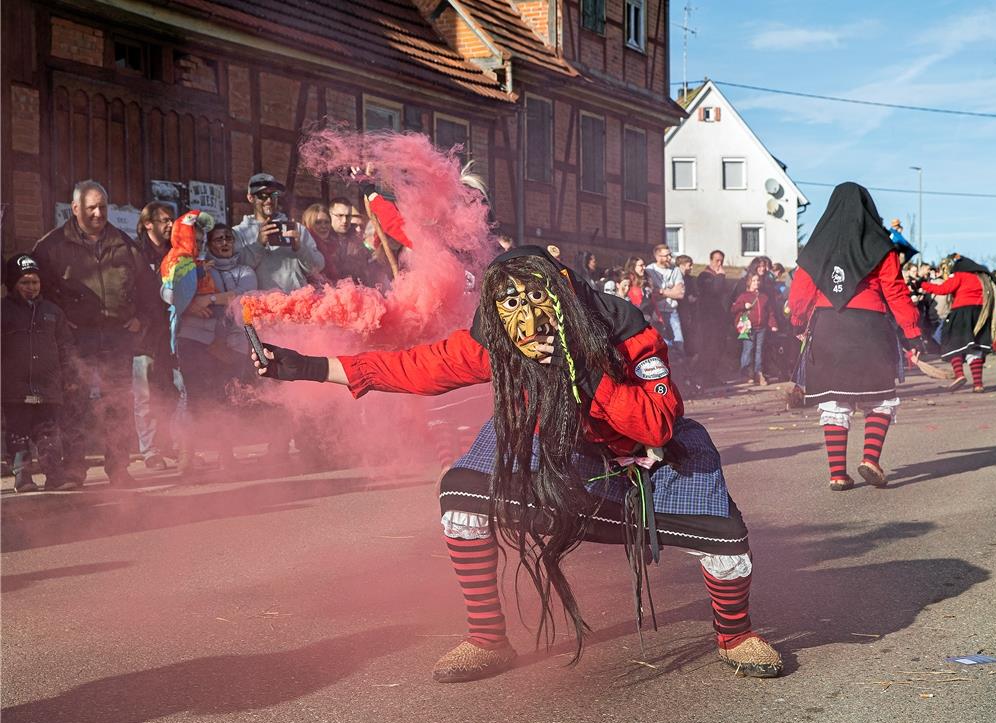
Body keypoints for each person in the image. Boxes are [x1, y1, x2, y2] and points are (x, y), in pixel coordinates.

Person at [252, 245, 785, 682]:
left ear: (564, 299)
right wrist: (300, 365)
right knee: (461, 496)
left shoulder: (627, 332)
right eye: (512, 306)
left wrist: (583, 376)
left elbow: (657, 423)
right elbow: (414, 368)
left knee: (723, 532)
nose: (528, 321)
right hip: (548, 449)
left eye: (539, 300)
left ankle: (734, 634)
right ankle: (488, 639)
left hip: (637, 456)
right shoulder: (499, 343)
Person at [787, 183, 922, 491]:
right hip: (870, 329)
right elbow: (896, 293)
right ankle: (870, 460)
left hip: (828, 328)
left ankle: (837, 474)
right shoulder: (881, 247)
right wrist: (913, 332)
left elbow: (801, 292)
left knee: (835, 399)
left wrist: (797, 321)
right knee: (879, 397)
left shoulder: (816, 247)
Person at [34, 180, 152, 488]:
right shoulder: (50, 247)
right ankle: (74, 470)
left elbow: (149, 289)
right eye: (91, 208)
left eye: (103, 207)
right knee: (75, 403)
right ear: (75, 209)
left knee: (119, 404)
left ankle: (119, 469)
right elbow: (35, 291)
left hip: (117, 337)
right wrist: (58, 322)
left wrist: (142, 318)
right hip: (76, 340)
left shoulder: (126, 245)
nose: (99, 213)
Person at [161, 214, 261, 473]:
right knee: (193, 398)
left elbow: (245, 298)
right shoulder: (197, 266)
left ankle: (225, 454)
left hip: (233, 342)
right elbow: (171, 291)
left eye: (229, 237)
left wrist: (211, 299)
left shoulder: (245, 271)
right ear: (209, 245)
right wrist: (195, 303)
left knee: (225, 398)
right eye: (218, 239)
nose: (224, 242)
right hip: (197, 339)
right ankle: (187, 455)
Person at [2, 255, 77, 492]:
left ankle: (54, 474)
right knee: (18, 432)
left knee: (48, 431)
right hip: (15, 387)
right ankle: (23, 476)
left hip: (48, 386)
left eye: (35, 282)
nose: (31, 287)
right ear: (13, 283)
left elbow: (66, 346)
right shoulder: (4, 311)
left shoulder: (53, 312)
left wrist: (69, 376)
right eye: (25, 282)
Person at [134, 201, 178, 470]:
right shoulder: (136, 253)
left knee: (172, 390)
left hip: (172, 332)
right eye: (163, 220)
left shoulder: (177, 253)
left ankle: (168, 443)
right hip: (144, 336)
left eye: (171, 219)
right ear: (148, 224)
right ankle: (150, 450)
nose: (170, 224)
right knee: (145, 395)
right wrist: (132, 319)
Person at [233, 173, 325, 292]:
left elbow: (317, 267)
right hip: (261, 305)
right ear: (250, 198)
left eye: (273, 194)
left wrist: (300, 248)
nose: (269, 200)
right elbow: (236, 273)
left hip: (296, 302)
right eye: (262, 195)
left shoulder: (296, 229)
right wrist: (258, 245)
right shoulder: (239, 232)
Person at [921, 257, 996, 392]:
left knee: (952, 342)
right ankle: (978, 384)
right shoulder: (983, 278)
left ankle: (959, 375)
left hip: (961, 313)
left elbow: (943, 289)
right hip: (981, 314)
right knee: (975, 348)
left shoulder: (960, 275)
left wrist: (924, 285)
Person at [731, 272, 779, 385]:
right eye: (753, 281)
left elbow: (770, 312)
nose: (756, 283)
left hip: (761, 327)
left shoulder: (764, 297)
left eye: (757, 280)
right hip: (748, 327)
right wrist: (743, 306)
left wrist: (773, 324)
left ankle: (759, 373)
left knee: (759, 351)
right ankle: (746, 373)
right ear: (748, 282)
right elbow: (733, 309)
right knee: (748, 349)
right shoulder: (743, 296)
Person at [696, 250, 733, 384]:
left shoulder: (719, 276)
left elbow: (726, 293)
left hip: (720, 318)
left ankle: (713, 374)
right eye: (717, 260)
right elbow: (715, 291)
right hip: (708, 318)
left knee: (719, 346)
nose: (719, 264)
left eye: (721, 261)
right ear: (710, 260)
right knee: (709, 346)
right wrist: (720, 276)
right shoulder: (704, 276)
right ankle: (706, 375)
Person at [644, 244, 686, 353]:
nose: (670, 258)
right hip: (656, 313)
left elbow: (680, 293)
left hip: (672, 312)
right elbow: (652, 294)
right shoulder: (649, 270)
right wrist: (671, 291)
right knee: (662, 344)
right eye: (666, 255)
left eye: (670, 255)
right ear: (658, 257)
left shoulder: (675, 270)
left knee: (679, 343)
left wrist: (661, 291)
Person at [301, 202, 338, 282]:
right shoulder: (303, 246)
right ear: (308, 224)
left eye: (326, 222)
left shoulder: (333, 246)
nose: (323, 226)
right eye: (318, 222)